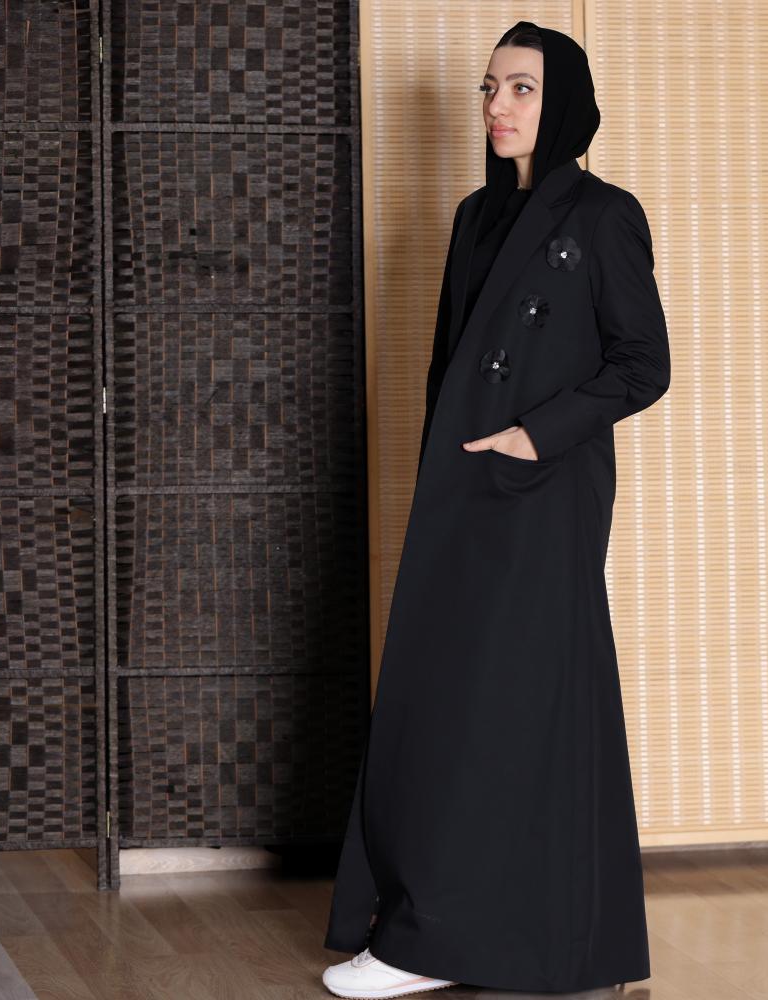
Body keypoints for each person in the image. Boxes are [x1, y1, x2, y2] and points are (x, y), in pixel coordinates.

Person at [322, 19, 669, 998]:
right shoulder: (474, 217)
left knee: (516, 704)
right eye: (488, 88)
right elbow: (450, 367)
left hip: (544, 495)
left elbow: (643, 364)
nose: (497, 106)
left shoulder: (602, 215)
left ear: (563, 103)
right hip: (461, 490)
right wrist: (448, 466)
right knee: (448, 702)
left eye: (521, 88)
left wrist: (533, 436)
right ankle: (454, 929)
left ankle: (452, 941)